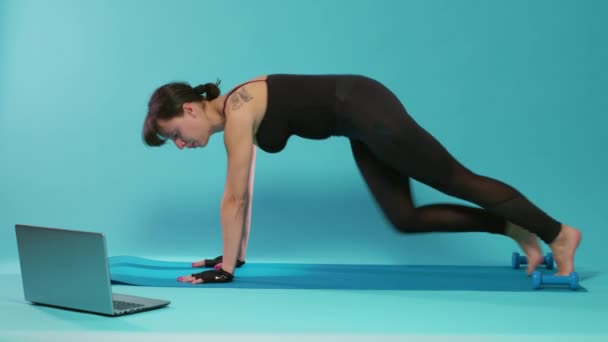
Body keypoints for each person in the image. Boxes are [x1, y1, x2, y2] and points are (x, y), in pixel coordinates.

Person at [142, 74, 582, 284]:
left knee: (455, 178)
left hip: (363, 108)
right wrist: (229, 258)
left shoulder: (238, 111)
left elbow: (234, 198)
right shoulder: (237, 113)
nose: (182, 145)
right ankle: (512, 227)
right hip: (354, 122)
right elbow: (246, 193)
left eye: (176, 136)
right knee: (403, 217)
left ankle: (558, 233)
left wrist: (223, 272)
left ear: (191, 110)